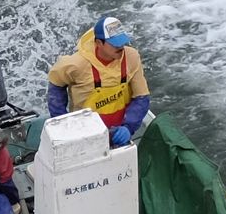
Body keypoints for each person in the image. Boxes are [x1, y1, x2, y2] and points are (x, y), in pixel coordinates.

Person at [47, 13, 152, 146]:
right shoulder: (76, 64)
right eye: (115, 44)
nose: (120, 47)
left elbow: (141, 97)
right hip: (83, 134)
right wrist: (63, 122)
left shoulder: (132, 57)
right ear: (98, 43)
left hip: (119, 130)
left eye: (122, 42)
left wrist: (128, 127)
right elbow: (56, 86)